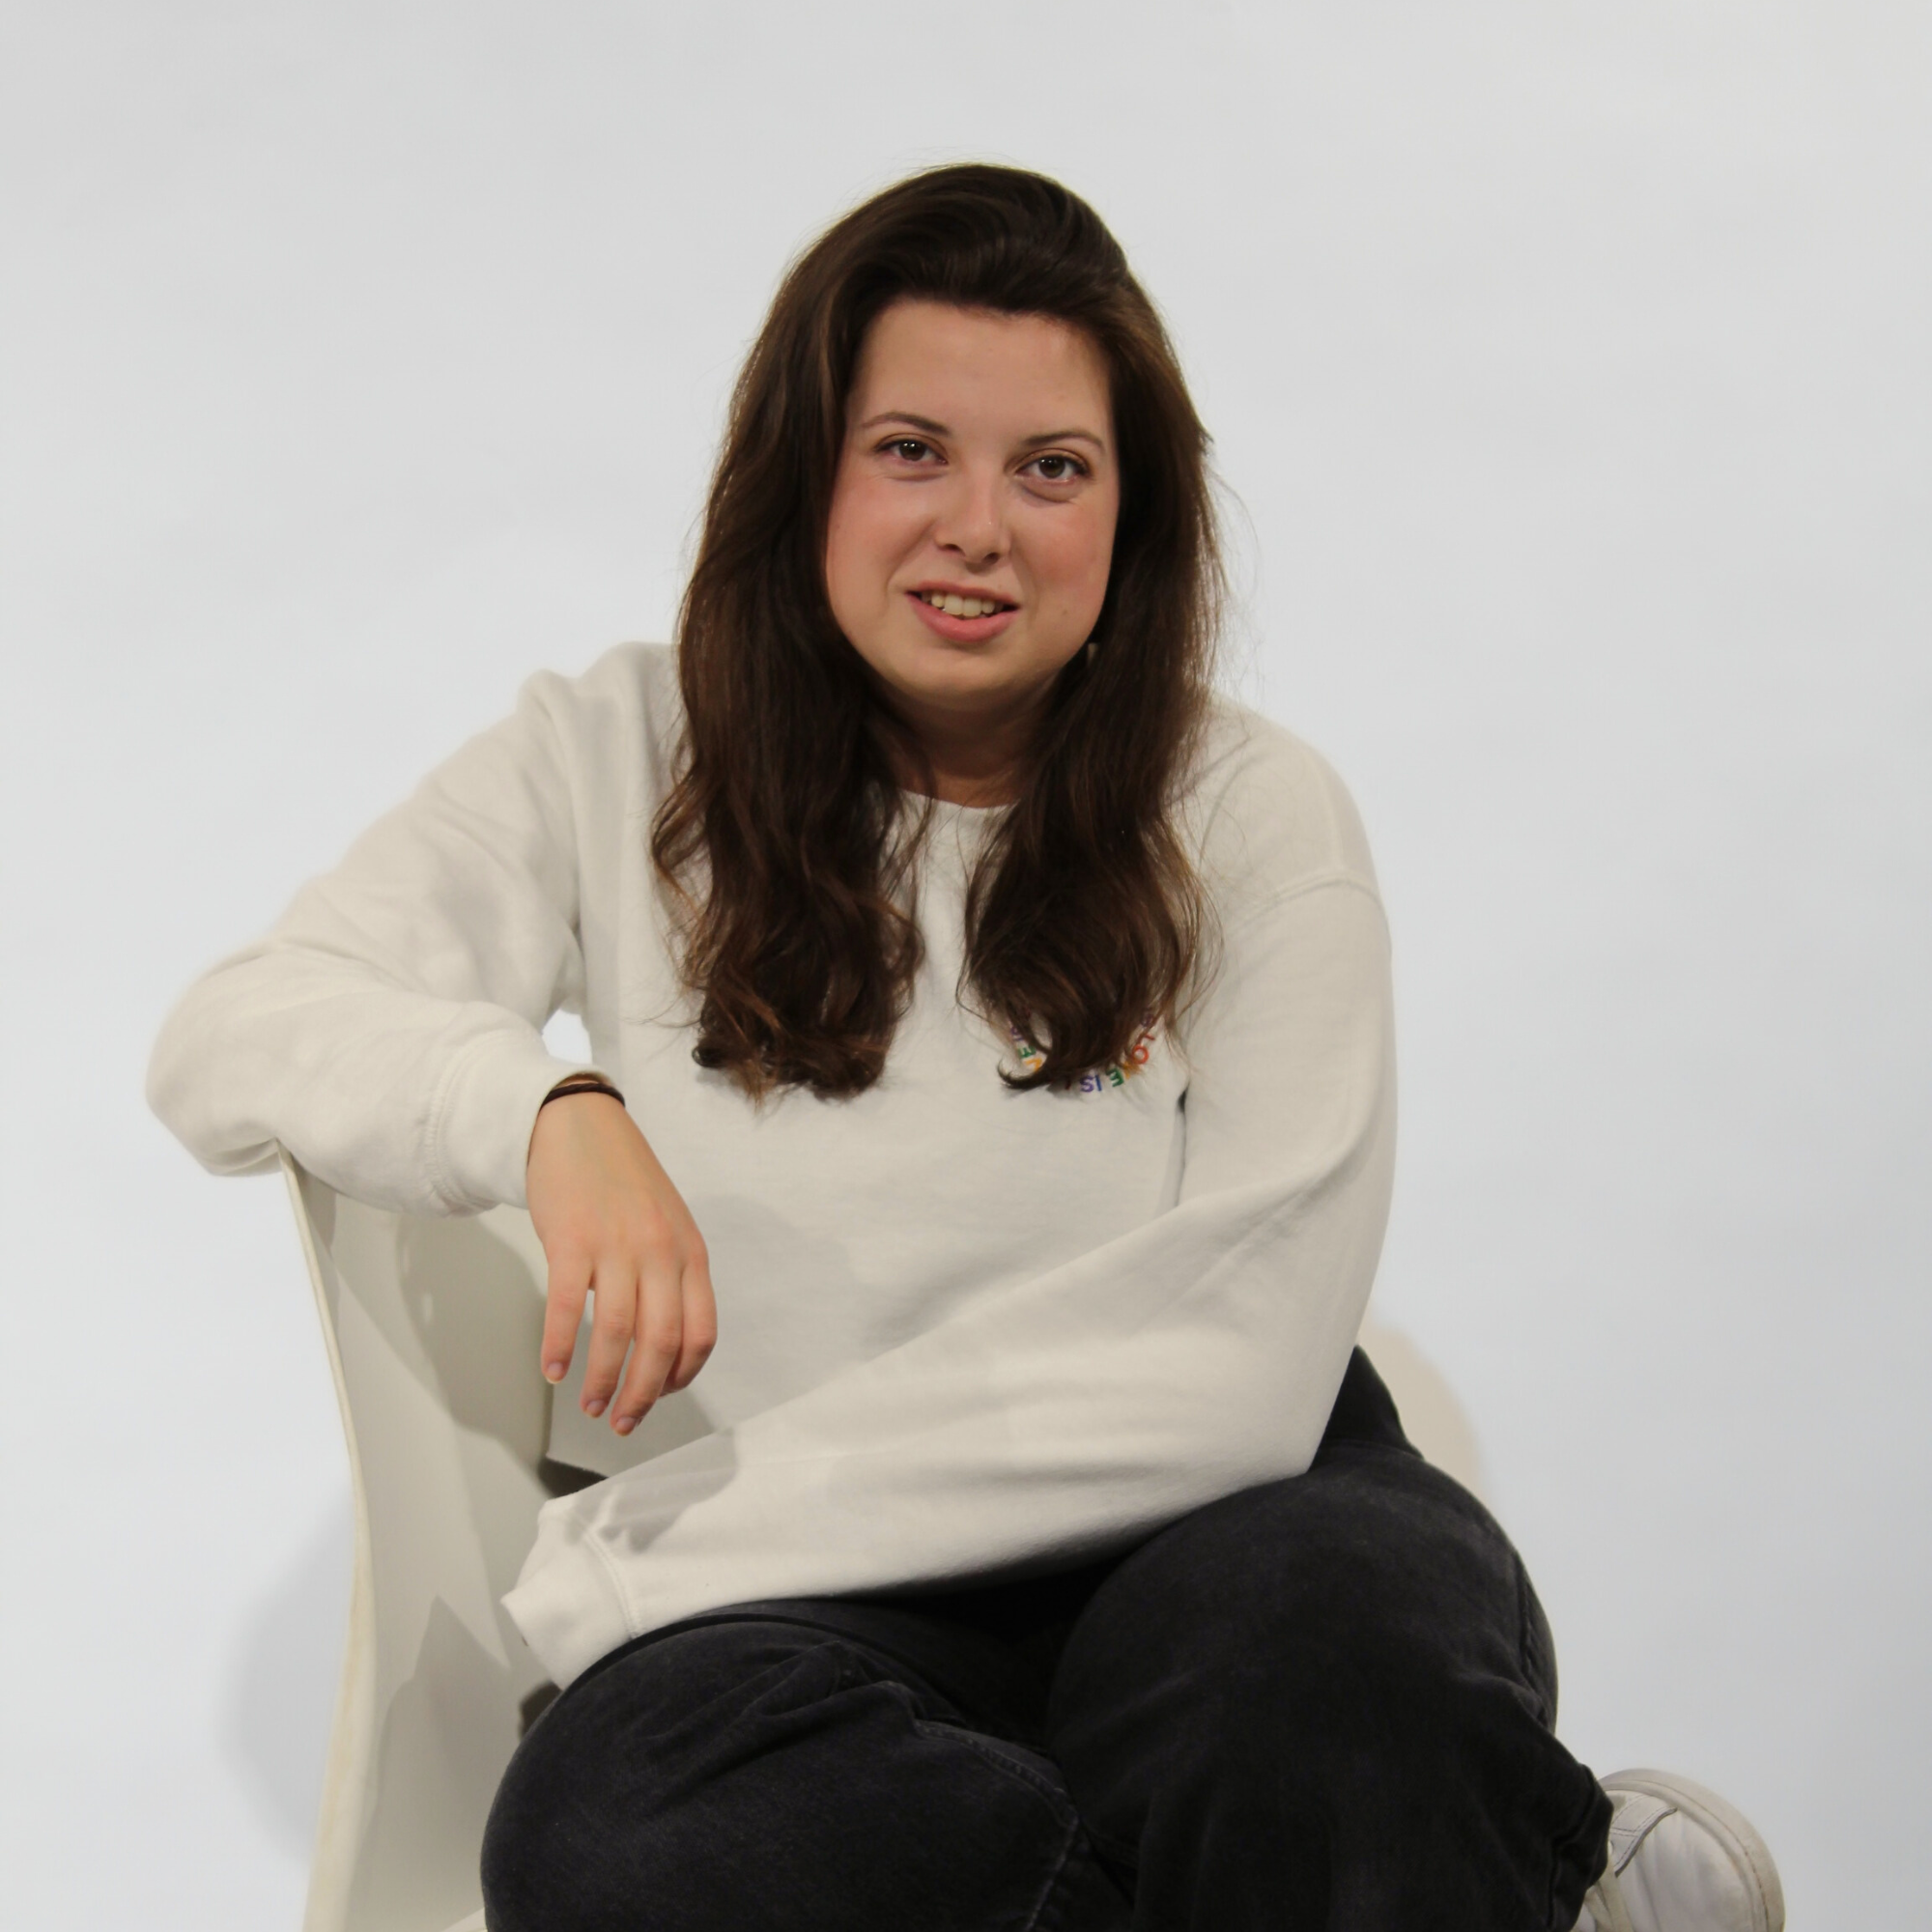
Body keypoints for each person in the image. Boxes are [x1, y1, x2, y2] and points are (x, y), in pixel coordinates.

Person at [150, 164, 1782, 1932]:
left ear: (1130, 520)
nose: (978, 528)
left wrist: (656, 1548)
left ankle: (1432, 1852)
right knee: (622, 1843)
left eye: (1053, 469)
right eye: (911, 449)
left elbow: (1233, 1373)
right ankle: (1509, 1888)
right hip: (801, 1630)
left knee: (1325, 1694)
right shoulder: (609, 753)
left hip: (1226, 1537)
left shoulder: (1247, 814)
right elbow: (236, 1031)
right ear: (805, 476)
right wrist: (546, 1106)